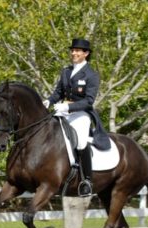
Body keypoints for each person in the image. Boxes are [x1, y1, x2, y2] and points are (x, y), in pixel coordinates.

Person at [44, 38, 110, 197]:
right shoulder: (66, 71)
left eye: (78, 51)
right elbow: (58, 93)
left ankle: (87, 181)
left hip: (81, 114)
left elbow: (88, 101)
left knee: (80, 142)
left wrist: (68, 106)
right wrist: (48, 101)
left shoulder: (91, 75)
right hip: (63, 112)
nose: (74, 53)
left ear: (86, 53)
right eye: (72, 50)